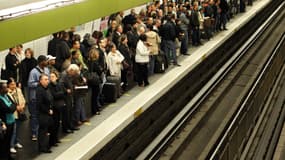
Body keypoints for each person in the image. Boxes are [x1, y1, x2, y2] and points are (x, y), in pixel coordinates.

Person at [28, 55, 50, 141]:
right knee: (34, 116)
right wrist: (40, 83)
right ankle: (34, 133)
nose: (47, 62)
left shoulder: (47, 70)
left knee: (44, 115)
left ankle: (43, 131)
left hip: (45, 96)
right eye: (45, 61)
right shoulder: (33, 72)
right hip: (35, 97)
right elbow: (30, 84)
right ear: (41, 62)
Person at [7, 78, 25, 154]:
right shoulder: (7, 93)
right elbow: (10, 103)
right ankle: (11, 145)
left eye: (14, 84)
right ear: (8, 85)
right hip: (13, 113)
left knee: (18, 129)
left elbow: (23, 99)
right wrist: (17, 107)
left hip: (20, 112)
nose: (13, 86)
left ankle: (16, 142)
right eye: (12, 84)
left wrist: (22, 106)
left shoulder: (18, 90)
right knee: (13, 131)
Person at [36, 74, 53, 153]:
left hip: (46, 112)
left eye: (48, 79)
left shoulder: (46, 89)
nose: (47, 81)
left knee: (45, 130)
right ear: (40, 81)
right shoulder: (40, 90)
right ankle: (42, 147)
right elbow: (39, 104)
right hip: (42, 113)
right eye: (45, 79)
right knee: (42, 130)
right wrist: (47, 110)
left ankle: (45, 145)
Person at [0, 80, 16, 160]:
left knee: (9, 141)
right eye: (5, 88)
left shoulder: (7, 96)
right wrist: (12, 107)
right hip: (5, 122)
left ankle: (8, 156)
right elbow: (7, 109)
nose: (7, 89)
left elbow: (14, 104)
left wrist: (12, 107)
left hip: (11, 121)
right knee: (4, 142)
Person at [48, 71, 65, 146]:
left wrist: (60, 94)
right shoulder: (49, 86)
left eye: (53, 77)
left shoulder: (58, 85)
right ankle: (52, 141)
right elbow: (54, 95)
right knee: (53, 125)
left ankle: (56, 138)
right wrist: (60, 93)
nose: (51, 78)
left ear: (56, 78)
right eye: (50, 77)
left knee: (57, 124)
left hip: (59, 106)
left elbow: (62, 93)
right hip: (54, 107)